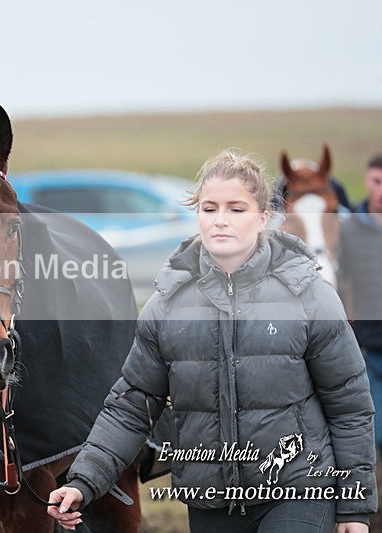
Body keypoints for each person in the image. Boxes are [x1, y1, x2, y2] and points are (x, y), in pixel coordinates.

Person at [48, 150, 376, 532]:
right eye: (209, 209)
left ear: (264, 218)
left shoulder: (311, 296)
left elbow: (349, 406)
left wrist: (354, 508)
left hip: (299, 489)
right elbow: (132, 407)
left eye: (236, 209)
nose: (221, 220)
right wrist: (83, 481)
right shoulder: (165, 305)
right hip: (212, 498)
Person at [339, 154, 382, 455]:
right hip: (368, 352)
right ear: (367, 180)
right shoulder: (348, 229)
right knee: (374, 436)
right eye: (377, 181)